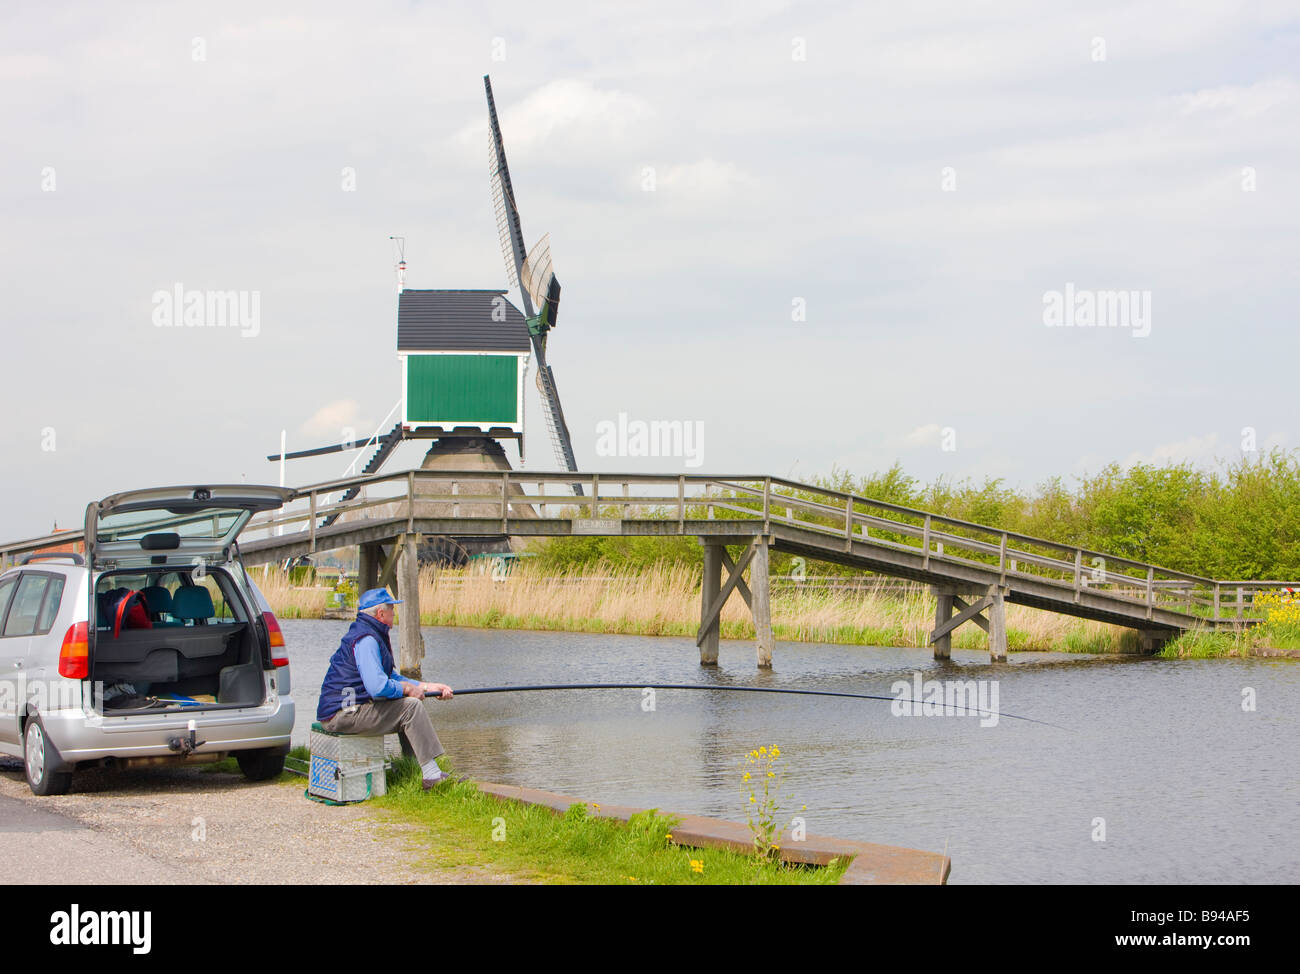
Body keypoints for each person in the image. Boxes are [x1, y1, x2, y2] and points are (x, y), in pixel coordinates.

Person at [316, 587, 455, 789]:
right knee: (410, 707)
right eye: (391, 610)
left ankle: (416, 768)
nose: (394, 613)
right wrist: (407, 689)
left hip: (347, 711)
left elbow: (389, 676)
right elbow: (377, 687)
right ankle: (432, 776)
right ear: (381, 614)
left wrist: (427, 686)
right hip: (342, 715)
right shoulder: (367, 639)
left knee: (405, 705)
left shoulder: (370, 633)